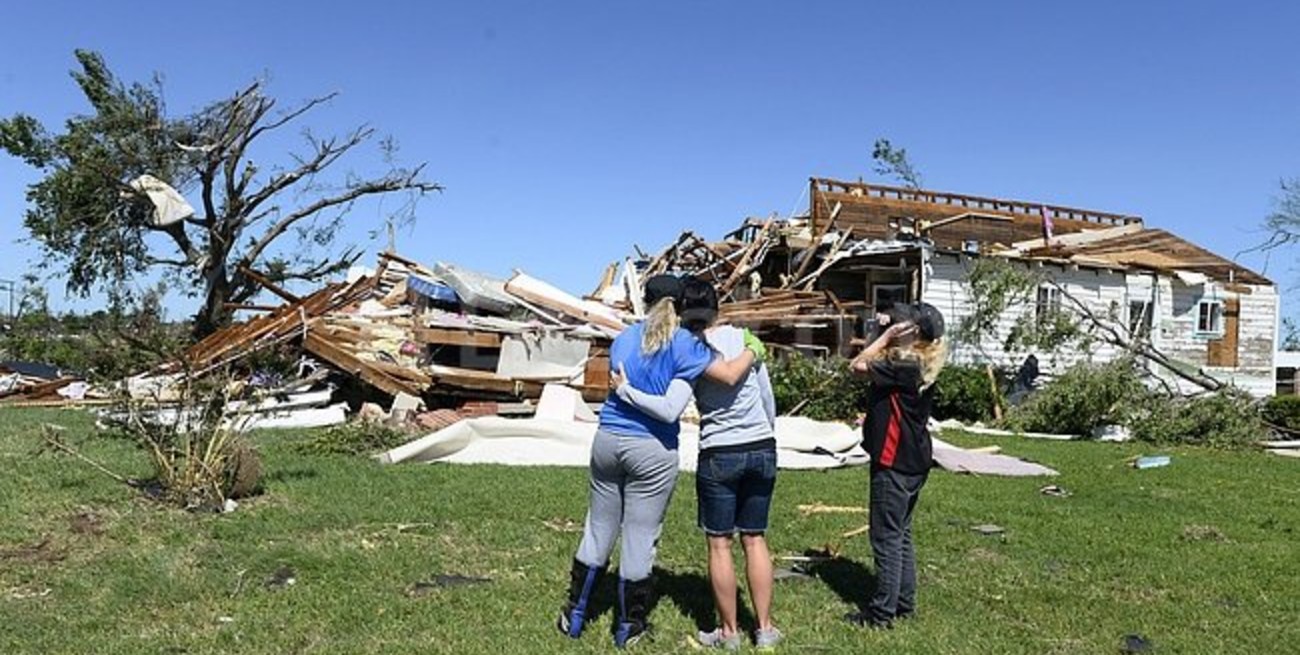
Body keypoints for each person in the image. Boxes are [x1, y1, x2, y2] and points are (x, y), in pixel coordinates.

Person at [557, 274, 764, 649]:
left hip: (607, 440)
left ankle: (574, 613)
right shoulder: (687, 345)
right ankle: (628, 625)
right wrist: (750, 347)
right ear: (680, 304)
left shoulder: (622, 339)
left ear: (645, 302)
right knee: (639, 536)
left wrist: (626, 392)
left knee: (599, 527)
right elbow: (682, 403)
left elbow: (621, 379)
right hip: (651, 449)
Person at [613, 277, 781, 650]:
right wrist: (766, 435)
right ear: (717, 306)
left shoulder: (688, 348)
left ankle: (729, 633)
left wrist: (626, 391)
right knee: (755, 539)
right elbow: (767, 399)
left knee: (720, 544)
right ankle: (766, 630)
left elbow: (673, 403)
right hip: (762, 446)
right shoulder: (744, 340)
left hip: (720, 451)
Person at [845, 301, 947, 630]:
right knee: (901, 533)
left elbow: (857, 365)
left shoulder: (905, 364)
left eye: (903, 323)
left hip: (895, 460)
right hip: (914, 459)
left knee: (885, 537)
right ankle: (903, 603)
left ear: (912, 331)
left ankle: (881, 613)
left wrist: (885, 335)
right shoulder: (919, 360)